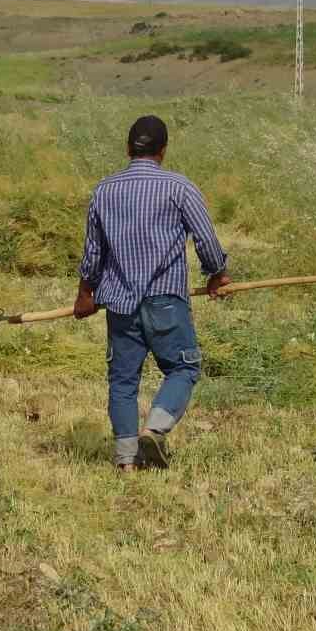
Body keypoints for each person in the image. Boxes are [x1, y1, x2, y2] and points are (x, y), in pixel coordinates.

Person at [74, 116, 231, 472]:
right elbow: (206, 239)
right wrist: (217, 274)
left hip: (120, 304)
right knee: (183, 367)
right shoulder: (180, 187)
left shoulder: (104, 189)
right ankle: (155, 429)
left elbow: (93, 254)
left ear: (129, 149)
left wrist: (86, 292)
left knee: (123, 380)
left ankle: (126, 459)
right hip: (165, 300)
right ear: (163, 151)